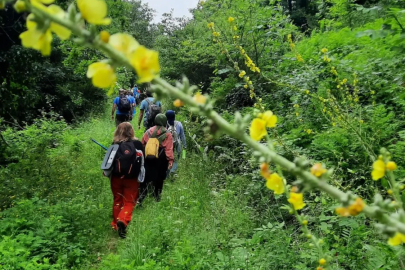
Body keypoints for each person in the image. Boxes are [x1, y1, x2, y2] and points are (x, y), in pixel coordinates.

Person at [108, 122, 144, 238]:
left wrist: (108, 174)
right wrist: (141, 178)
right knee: (129, 201)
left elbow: (109, 163)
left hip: (116, 178)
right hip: (132, 179)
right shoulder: (137, 144)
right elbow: (142, 163)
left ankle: (116, 224)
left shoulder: (114, 144)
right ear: (131, 131)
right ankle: (123, 220)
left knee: (117, 199)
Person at [138, 114, 174, 204]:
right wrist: (170, 161)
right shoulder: (167, 134)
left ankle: (141, 198)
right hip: (161, 159)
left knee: (146, 178)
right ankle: (156, 198)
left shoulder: (148, 131)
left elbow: (142, 143)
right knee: (159, 179)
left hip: (149, 157)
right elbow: (169, 149)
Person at [165, 110, 186, 176]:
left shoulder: (164, 124)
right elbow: (182, 136)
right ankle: (174, 171)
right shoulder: (179, 124)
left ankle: (167, 173)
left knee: (168, 158)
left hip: (167, 145)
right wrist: (185, 147)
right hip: (178, 144)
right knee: (176, 157)